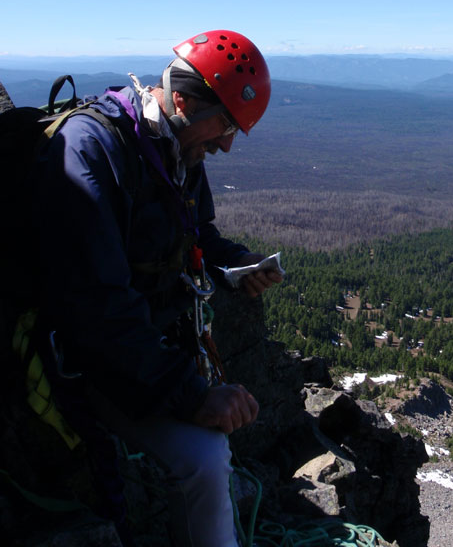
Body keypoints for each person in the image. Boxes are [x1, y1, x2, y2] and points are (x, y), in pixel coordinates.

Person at [30, 29, 283, 547]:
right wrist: (192, 397)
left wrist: (238, 263)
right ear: (184, 100)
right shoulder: (93, 151)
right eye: (226, 124)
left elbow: (196, 235)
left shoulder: (174, 147)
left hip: (145, 348)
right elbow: (98, 307)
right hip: (86, 361)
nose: (228, 143)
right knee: (206, 459)